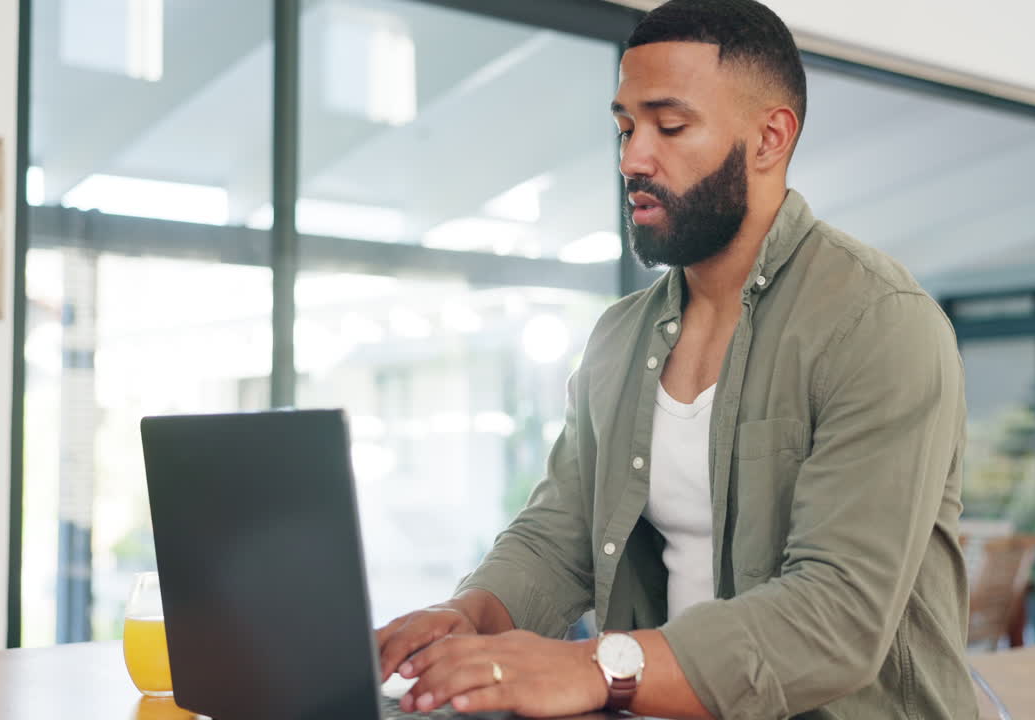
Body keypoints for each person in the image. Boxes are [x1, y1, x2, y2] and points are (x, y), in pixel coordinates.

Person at [376, 1, 976, 717]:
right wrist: (466, 616)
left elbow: (837, 613)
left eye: (670, 125)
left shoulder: (877, 323)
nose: (632, 159)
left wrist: (594, 666)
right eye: (625, 128)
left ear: (770, 138)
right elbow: (559, 535)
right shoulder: (618, 338)